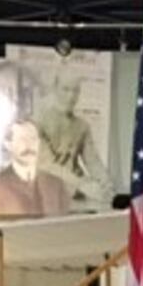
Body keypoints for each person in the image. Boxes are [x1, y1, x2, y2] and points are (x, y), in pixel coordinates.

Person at [35, 75, 113, 204]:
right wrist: (82, 184)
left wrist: (106, 183)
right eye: (65, 89)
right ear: (55, 89)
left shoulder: (82, 126)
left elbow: (92, 160)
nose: (71, 96)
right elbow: (46, 164)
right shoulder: (38, 122)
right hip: (45, 193)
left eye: (75, 90)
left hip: (76, 195)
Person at [0, 119, 71, 217]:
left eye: (33, 139)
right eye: (22, 139)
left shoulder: (57, 185)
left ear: (39, 143)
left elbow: (67, 228)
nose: (29, 145)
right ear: (8, 145)